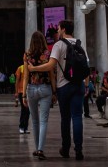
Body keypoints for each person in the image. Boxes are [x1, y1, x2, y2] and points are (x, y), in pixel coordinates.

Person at [28, 18, 86, 161]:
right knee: (77, 117)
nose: (58, 31)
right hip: (78, 85)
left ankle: (65, 148)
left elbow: (50, 65)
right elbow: (86, 68)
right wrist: (84, 85)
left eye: (59, 28)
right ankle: (78, 150)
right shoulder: (79, 44)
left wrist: (33, 68)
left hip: (63, 86)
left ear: (64, 29)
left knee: (65, 118)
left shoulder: (58, 45)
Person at [22, 31, 54, 160]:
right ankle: (40, 149)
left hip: (31, 89)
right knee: (43, 120)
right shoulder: (47, 54)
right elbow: (52, 74)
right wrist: (55, 91)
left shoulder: (27, 54)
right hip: (45, 88)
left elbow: (25, 76)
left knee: (34, 121)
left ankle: (37, 148)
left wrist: (23, 95)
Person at [14, 59, 29, 134]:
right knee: (24, 109)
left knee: (28, 110)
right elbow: (17, 81)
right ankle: (21, 127)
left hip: (28, 91)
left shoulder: (30, 67)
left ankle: (25, 127)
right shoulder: (20, 68)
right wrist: (16, 92)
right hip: (21, 91)